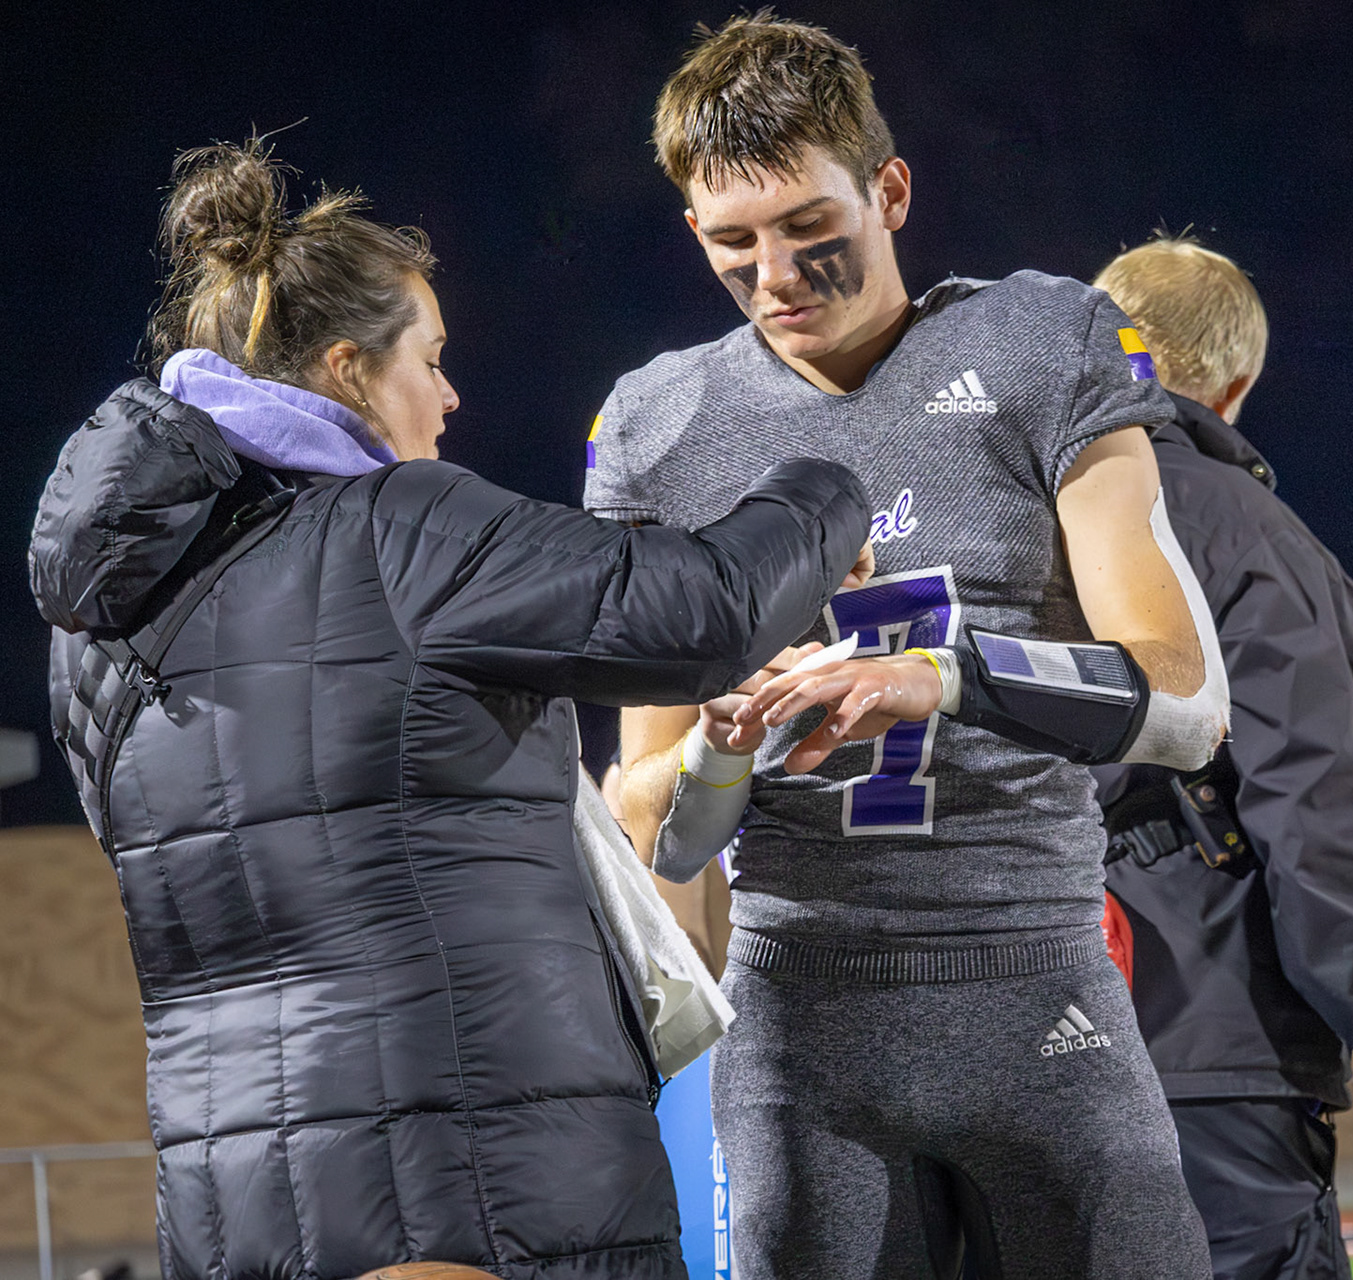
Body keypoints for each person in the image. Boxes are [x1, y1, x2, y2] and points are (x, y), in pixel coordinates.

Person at [29, 140, 873, 1280]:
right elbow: (701, 610)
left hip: (231, 1207)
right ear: (345, 369)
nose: (450, 392)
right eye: (430, 357)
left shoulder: (95, 628)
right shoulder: (400, 529)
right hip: (474, 1186)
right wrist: (823, 485)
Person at [585, 15, 1227, 1277]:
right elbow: (652, 817)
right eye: (733, 242)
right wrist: (735, 741)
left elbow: (1187, 696)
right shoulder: (657, 425)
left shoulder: (1049, 344)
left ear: (890, 190)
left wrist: (937, 677)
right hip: (798, 1016)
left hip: (1038, 977)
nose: (774, 275)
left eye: (807, 227)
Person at [1086, 235, 1353, 1279]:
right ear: (1236, 384)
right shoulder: (1244, 532)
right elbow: (1314, 804)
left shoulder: (989, 516)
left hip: (994, 1028)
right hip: (1206, 1032)